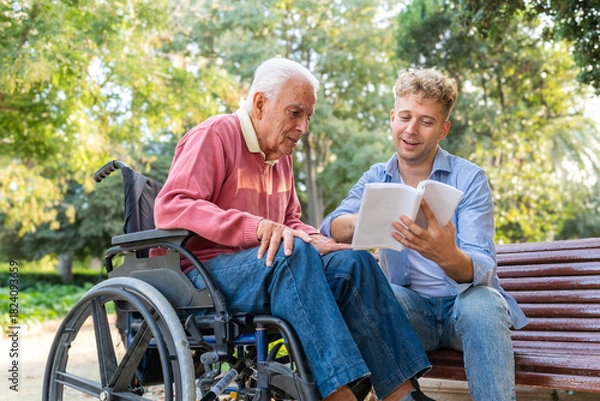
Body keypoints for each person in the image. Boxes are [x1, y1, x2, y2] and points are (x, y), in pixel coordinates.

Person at [154, 57, 436, 401]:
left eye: (308, 117)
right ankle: (339, 395)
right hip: (200, 276)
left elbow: (290, 223)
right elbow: (172, 206)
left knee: (354, 263)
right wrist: (254, 227)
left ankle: (403, 395)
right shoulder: (215, 135)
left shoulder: (281, 157)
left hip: (267, 267)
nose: (303, 127)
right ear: (260, 104)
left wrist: (319, 239)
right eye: (295, 113)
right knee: (292, 254)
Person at [320, 68, 528, 401]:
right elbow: (329, 227)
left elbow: (482, 267)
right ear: (392, 118)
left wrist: (447, 256)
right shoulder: (377, 177)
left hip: (464, 310)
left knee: (484, 303)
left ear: (443, 128)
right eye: (405, 117)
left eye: (426, 122)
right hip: (410, 313)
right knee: (367, 295)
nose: (411, 130)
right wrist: (367, 218)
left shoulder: (469, 178)